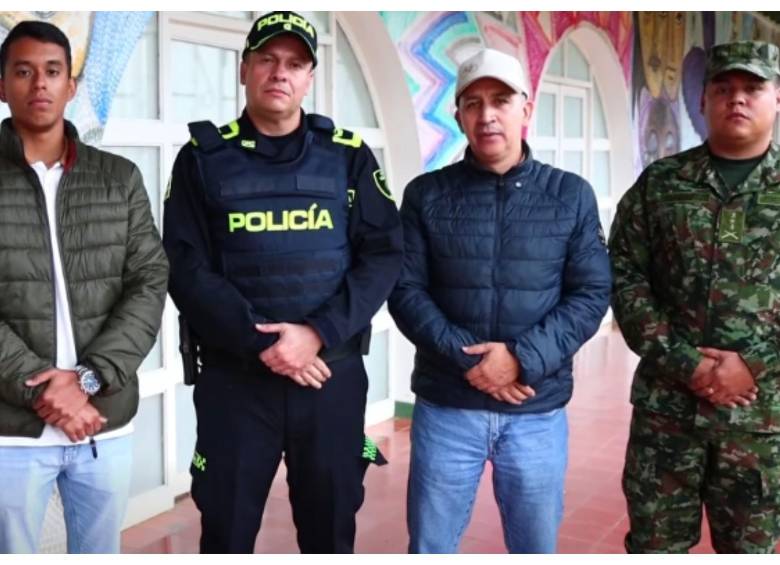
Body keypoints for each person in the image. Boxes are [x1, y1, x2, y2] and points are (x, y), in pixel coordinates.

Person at [162, 11, 403, 554]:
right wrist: (266, 341)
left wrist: (316, 333)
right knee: (224, 531)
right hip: (236, 382)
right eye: (267, 60)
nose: (280, 73)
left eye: (294, 63)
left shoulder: (348, 157)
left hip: (328, 379)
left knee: (331, 530)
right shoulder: (200, 160)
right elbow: (184, 266)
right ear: (244, 68)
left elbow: (385, 255)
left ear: (310, 77)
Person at [388, 47, 611, 553]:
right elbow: (405, 289)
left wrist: (520, 360)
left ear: (526, 110)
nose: (487, 114)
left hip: (535, 409)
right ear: (459, 115)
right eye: (473, 102)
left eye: (501, 100)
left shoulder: (570, 195)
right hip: (448, 407)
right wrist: (469, 359)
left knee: (534, 548)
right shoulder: (426, 195)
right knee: (430, 547)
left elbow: (591, 292)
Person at [0, 20, 168, 553]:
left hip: (103, 421)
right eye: (23, 72)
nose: (40, 85)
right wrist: (42, 386)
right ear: (2, 85)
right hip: (11, 432)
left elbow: (148, 280)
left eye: (53, 71)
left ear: (72, 86)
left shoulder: (118, 178)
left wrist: (88, 381)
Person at [609, 40, 780, 553]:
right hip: (667, 414)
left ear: (777, 98)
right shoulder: (661, 183)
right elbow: (624, 275)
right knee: (655, 548)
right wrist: (688, 365)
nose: (738, 99)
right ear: (702, 100)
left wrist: (756, 364)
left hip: (761, 419)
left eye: (753, 88)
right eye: (723, 88)